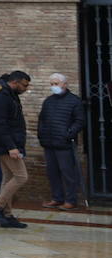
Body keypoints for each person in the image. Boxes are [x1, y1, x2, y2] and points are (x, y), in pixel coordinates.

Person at [0, 70, 32, 228]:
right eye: (24, 85)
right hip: (5, 145)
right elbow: (0, 124)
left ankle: (7, 215)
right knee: (21, 176)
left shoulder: (10, 94)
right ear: (15, 82)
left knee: (7, 178)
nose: (26, 88)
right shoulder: (1, 96)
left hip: (8, 143)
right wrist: (11, 147)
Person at [38, 72, 86, 210]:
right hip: (49, 142)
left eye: (56, 83)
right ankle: (56, 198)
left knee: (68, 173)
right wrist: (41, 135)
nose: (53, 86)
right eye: (51, 84)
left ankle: (70, 200)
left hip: (64, 143)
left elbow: (80, 121)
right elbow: (42, 119)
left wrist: (69, 133)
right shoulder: (48, 101)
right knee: (52, 172)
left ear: (64, 84)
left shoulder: (74, 101)